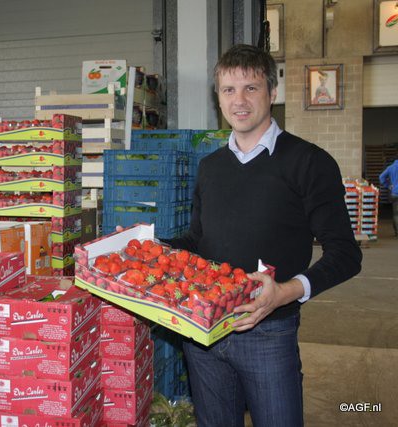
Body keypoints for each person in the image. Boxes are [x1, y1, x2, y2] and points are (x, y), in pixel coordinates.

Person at [169, 44, 362, 426]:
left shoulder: (309, 162)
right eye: (228, 90)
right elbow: (198, 240)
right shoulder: (210, 167)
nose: (239, 101)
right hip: (204, 329)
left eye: (251, 88)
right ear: (218, 97)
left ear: (272, 92)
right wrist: (145, 246)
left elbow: (345, 254)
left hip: (269, 333)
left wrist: (285, 292)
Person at [379, 159, 398, 237]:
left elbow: (381, 177)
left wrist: (388, 186)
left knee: (396, 214)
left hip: (395, 193)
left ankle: (397, 231)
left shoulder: (391, 167)